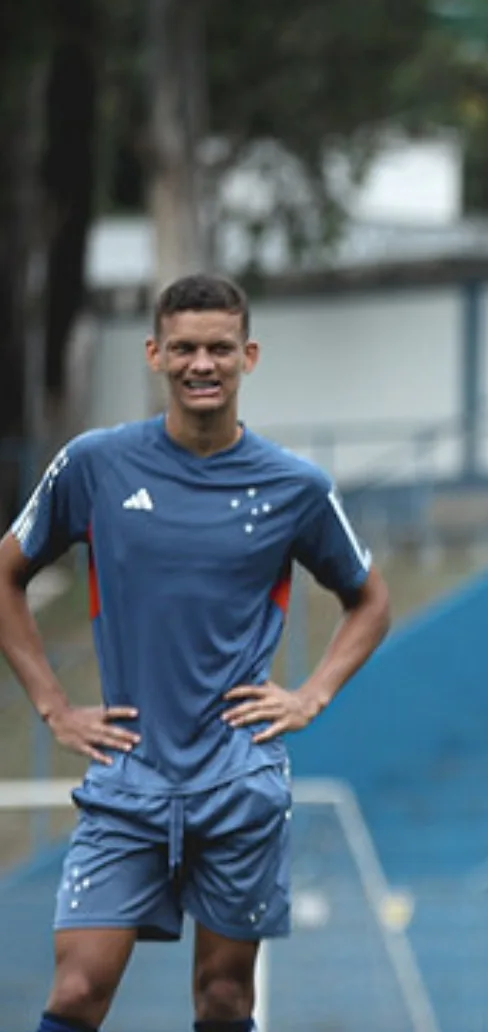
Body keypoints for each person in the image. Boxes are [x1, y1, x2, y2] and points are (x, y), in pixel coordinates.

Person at [0, 274, 393, 1032]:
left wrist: (309, 696)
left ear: (248, 355)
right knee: (78, 991)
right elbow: (6, 572)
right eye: (183, 348)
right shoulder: (94, 464)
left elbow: (369, 601)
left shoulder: (295, 486)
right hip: (127, 777)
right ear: (155, 353)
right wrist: (52, 704)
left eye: (219, 348)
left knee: (223, 999)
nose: (201, 364)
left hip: (236, 782)